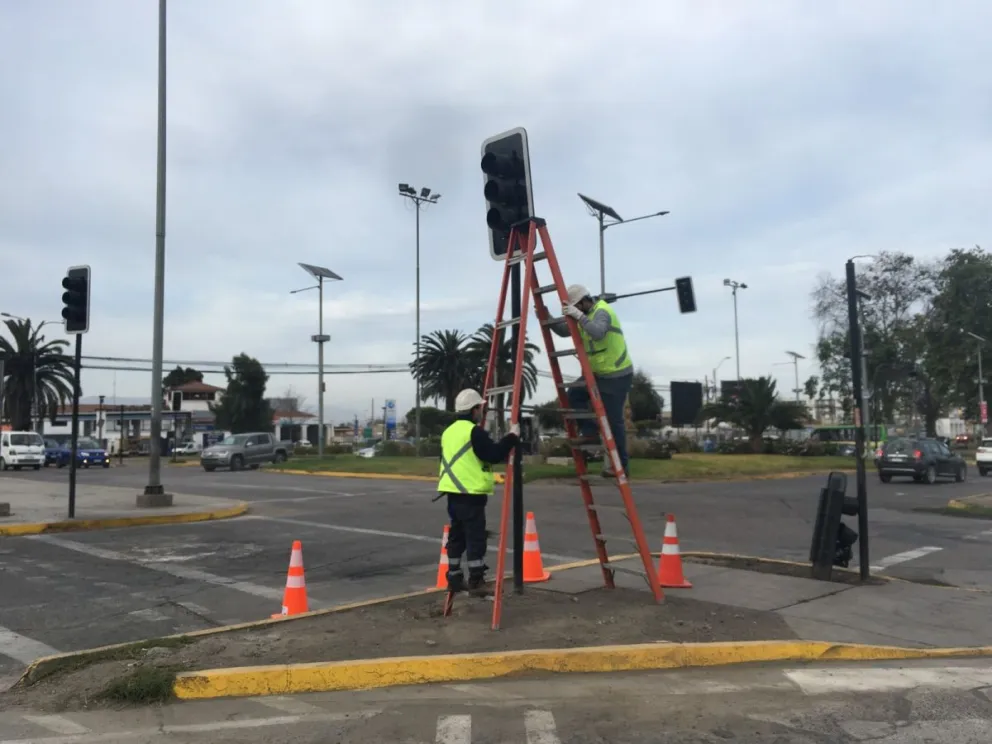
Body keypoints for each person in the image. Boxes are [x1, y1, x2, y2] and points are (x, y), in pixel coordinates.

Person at [438, 388, 520, 596]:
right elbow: (493, 454)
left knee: (457, 536)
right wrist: (511, 437)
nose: (482, 412)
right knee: (475, 537)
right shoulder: (474, 432)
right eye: (480, 409)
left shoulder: (449, 432)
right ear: (474, 409)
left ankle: (454, 577)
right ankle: (476, 580)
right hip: (470, 493)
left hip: (452, 492)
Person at [551, 283, 634, 477]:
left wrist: (578, 316)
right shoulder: (583, 315)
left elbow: (598, 333)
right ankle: (589, 432)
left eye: (577, 307)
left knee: (614, 422)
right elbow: (564, 330)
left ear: (583, 302)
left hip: (616, 374)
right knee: (574, 395)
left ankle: (621, 467)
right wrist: (546, 317)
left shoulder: (602, 311)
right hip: (596, 374)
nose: (576, 311)